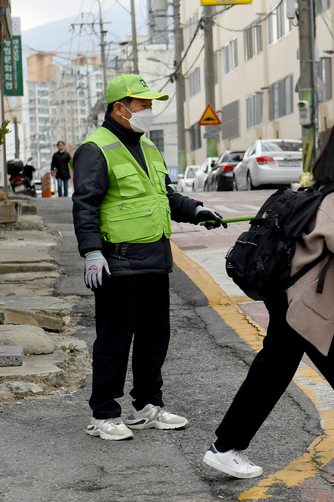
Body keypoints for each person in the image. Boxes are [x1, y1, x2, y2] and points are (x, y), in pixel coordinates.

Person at [203, 113, 334, 479]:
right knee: (275, 369)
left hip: (288, 290)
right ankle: (225, 447)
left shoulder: (330, 185)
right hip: (301, 296)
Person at [72, 74, 228, 441]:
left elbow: (165, 196)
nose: (149, 111)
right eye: (143, 104)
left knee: (154, 338)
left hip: (156, 259)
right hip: (118, 261)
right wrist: (92, 251)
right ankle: (104, 414)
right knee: (114, 339)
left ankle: (147, 406)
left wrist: (197, 210)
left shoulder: (149, 148)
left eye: (150, 104)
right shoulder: (95, 148)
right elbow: (85, 205)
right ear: (119, 108)